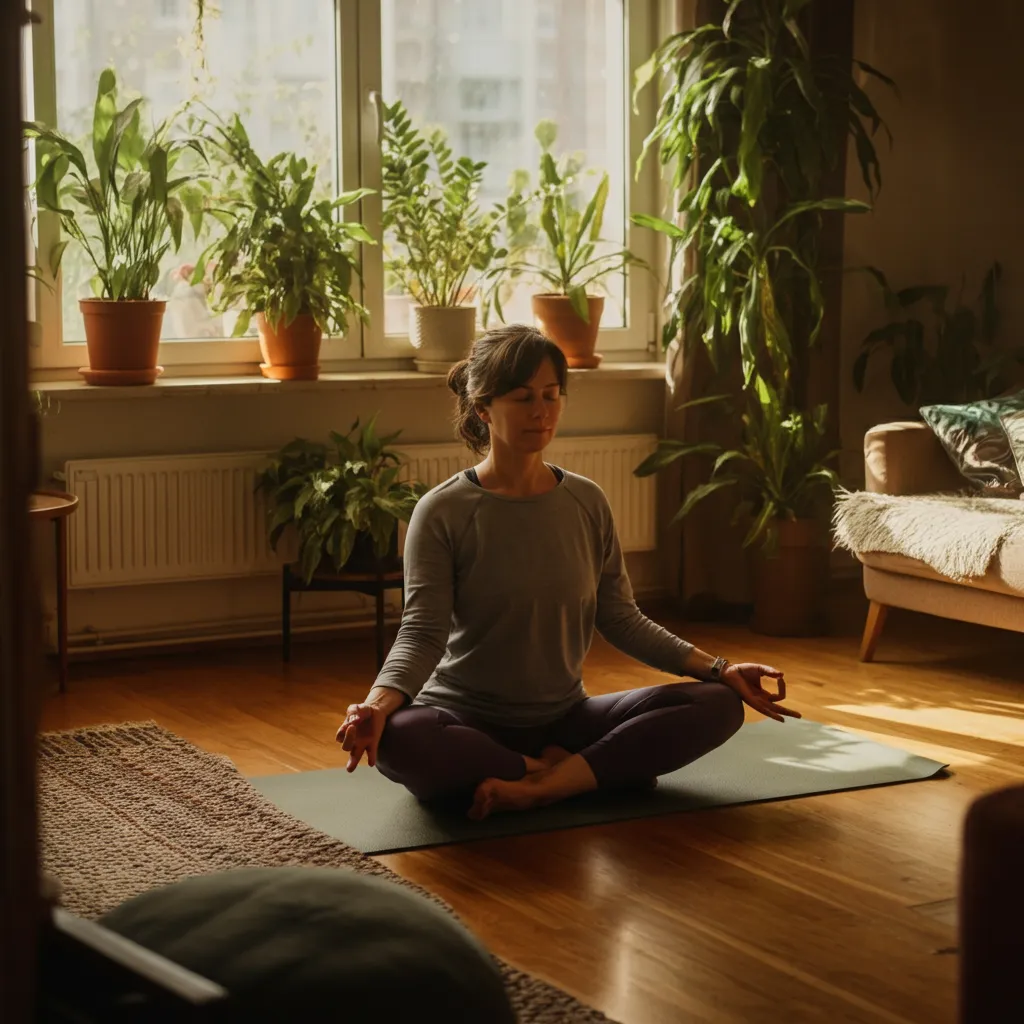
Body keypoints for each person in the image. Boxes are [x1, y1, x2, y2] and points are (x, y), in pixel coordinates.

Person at [336, 325, 800, 820]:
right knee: (402, 740)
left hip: (565, 718)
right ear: (483, 409)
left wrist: (722, 669)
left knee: (719, 705)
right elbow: (422, 632)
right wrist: (375, 708)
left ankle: (542, 784)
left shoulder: (586, 500)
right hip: (465, 719)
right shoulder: (443, 510)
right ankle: (567, 772)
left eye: (552, 395)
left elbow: (622, 618)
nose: (542, 411)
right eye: (522, 398)